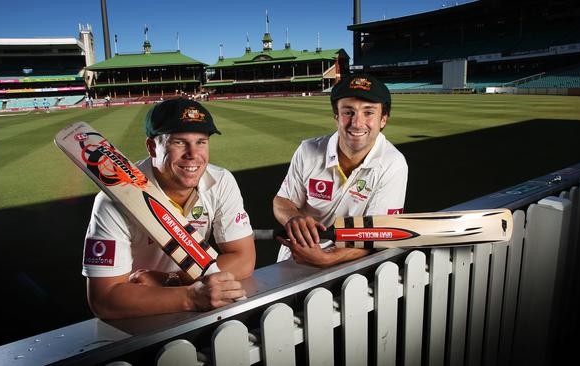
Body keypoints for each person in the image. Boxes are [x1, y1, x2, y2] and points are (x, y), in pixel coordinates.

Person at [83, 98, 256, 319]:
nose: (193, 154)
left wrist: (170, 280)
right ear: (152, 147)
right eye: (179, 142)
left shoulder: (220, 181)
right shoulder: (114, 200)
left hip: (194, 304)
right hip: (140, 312)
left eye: (201, 142)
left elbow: (244, 259)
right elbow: (104, 300)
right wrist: (189, 297)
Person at [273, 73, 408, 267]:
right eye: (348, 112)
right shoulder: (308, 150)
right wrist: (293, 217)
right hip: (295, 255)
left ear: (383, 119)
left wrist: (327, 258)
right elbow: (282, 200)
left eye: (368, 113)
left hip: (348, 266)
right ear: (336, 116)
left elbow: (380, 233)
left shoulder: (393, 164)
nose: (357, 123)